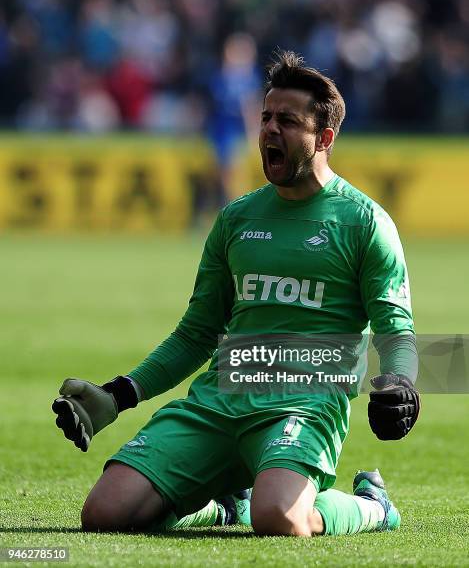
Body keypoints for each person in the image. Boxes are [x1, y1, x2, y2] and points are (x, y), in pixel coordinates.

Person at [53, 51, 420, 536]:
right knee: (104, 514)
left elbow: (396, 328)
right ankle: (225, 506)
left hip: (304, 403)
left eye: (287, 121)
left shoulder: (365, 222)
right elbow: (198, 333)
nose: (269, 129)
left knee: (278, 518)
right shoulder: (236, 219)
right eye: (266, 117)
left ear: (324, 138)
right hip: (219, 400)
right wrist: (118, 395)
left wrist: (400, 383)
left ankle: (372, 505)